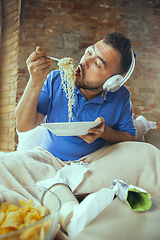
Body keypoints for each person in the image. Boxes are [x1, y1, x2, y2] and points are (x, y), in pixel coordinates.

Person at [15, 32, 136, 161]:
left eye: (97, 64)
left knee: (149, 153)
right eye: (89, 52)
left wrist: (104, 132)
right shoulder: (56, 79)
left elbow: (130, 139)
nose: (84, 61)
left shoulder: (120, 96)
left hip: (93, 164)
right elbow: (23, 126)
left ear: (111, 82)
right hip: (48, 159)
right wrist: (35, 80)